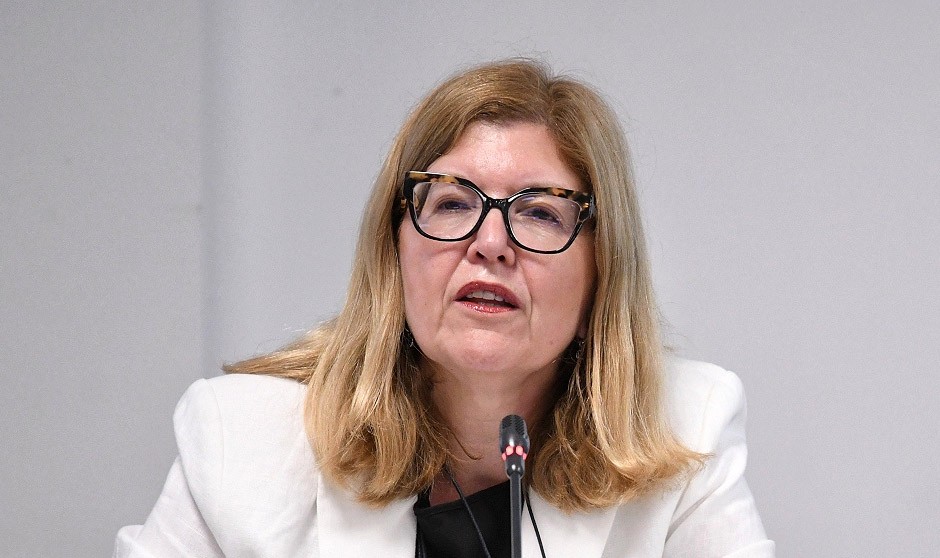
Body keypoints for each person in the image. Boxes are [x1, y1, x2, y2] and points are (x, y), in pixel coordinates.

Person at [114, 59, 774, 557]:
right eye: (453, 203)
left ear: (604, 267)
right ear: (394, 247)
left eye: (539, 214)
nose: (490, 243)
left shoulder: (685, 432)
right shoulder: (242, 440)